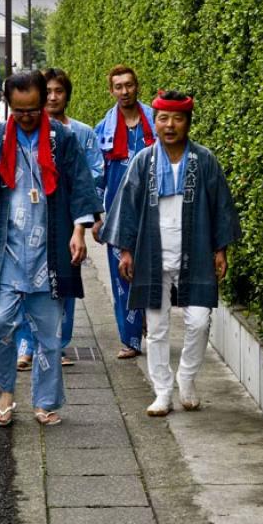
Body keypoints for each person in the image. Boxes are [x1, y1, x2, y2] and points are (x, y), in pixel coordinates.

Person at [0, 71, 103, 427]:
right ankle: (6, 393)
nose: (26, 116)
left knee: (49, 334)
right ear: (8, 104)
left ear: (42, 104)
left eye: (33, 109)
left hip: (49, 249)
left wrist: (79, 232)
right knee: (0, 326)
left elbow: (81, 186)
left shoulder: (62, 139)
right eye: (19, 109)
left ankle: (45, 401)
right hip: (7, 248)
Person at [101, 90, 241, 416]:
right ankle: (162, 391)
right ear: (156, 121)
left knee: (199, 321)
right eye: (163, 118)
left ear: (188, 122)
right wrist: (126, 251)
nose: (170, 125)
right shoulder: (143, 161)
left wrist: (220, 249)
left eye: (178, 118)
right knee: (157, 326)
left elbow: (220, 207)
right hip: (152, 252)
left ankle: (187, 379)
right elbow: (128, 209)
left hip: (195, 250)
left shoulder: (204, 161)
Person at [15, 67, 103, 370]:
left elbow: (92, 173)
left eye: (59, 91)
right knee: (26, 280)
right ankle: (26, 344)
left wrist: (85, 214)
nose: (53, 97)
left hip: (67, 217)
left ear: (67, 95)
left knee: (63, 282)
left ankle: (58, 342)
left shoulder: (80, 133)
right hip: (30, 217)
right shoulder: (21, 131)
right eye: (48, 91)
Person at [93, 65, 156, 359]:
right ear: (111, 91)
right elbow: (96, 176)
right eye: (118, 86)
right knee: (123, 275)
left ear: (137, 86)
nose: (124, 91)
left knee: (153, 272)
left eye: (129, 85)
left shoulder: (155, 122)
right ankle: (130, 339)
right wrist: (95, 216)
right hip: (118, 214)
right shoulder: (103, 129)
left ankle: (152, 326)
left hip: (154, 210)